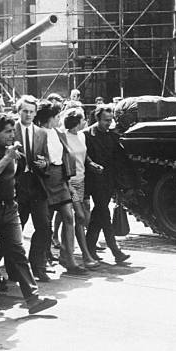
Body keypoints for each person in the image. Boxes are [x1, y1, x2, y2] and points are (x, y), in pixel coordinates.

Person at [0, 113, 57, 314]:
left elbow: (18, 176)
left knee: (17, 252)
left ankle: (33, 299)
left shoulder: (15, 152)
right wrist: (7, 158)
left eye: (13, 131)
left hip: (9, 208)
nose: (11, 135)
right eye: (7, 132)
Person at [35, 101, 87, 275]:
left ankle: (68, 258)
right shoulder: (38, 133)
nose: (60, 119)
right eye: (57, 116)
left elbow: (65, 156)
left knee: (69, 217)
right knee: (46, 222)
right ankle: (42, 259)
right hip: (45, 179)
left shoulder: (59, 133)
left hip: (61, 178)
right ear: (49, 118)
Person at [13, 95, 53, 281]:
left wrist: (44, 163)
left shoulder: (42, 133)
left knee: (44, 227)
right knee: (15, 230)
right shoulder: (11, 130)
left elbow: (47, 159)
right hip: (17, 185)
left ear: (36, 113)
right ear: (18, 111)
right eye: (25, 111)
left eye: (31, 111)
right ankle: (13, 268)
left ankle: (37, 266)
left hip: (36, 185)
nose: (28, 114)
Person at [84, 106, 130, 263]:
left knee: (98, 215)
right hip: (94, 181)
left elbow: (118, 160)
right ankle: (115, 250)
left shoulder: (112, 136)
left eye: (111, 120)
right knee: (104, 214)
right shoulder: (87, 135)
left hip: (108, 181)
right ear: (97, 119)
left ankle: (89, 247)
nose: (109, 123)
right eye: (106, 120)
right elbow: (84, 157)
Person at [63, 107, 100, 269]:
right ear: (76, 122)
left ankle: (66, 253)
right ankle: (84, 255)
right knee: (78, 217)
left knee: (82, 217)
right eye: (83, 118)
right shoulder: (63, 137)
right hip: (69, 182)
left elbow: (84, 156)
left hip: (82, 180)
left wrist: (91, 164)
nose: (85, 121)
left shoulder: (82, 136)